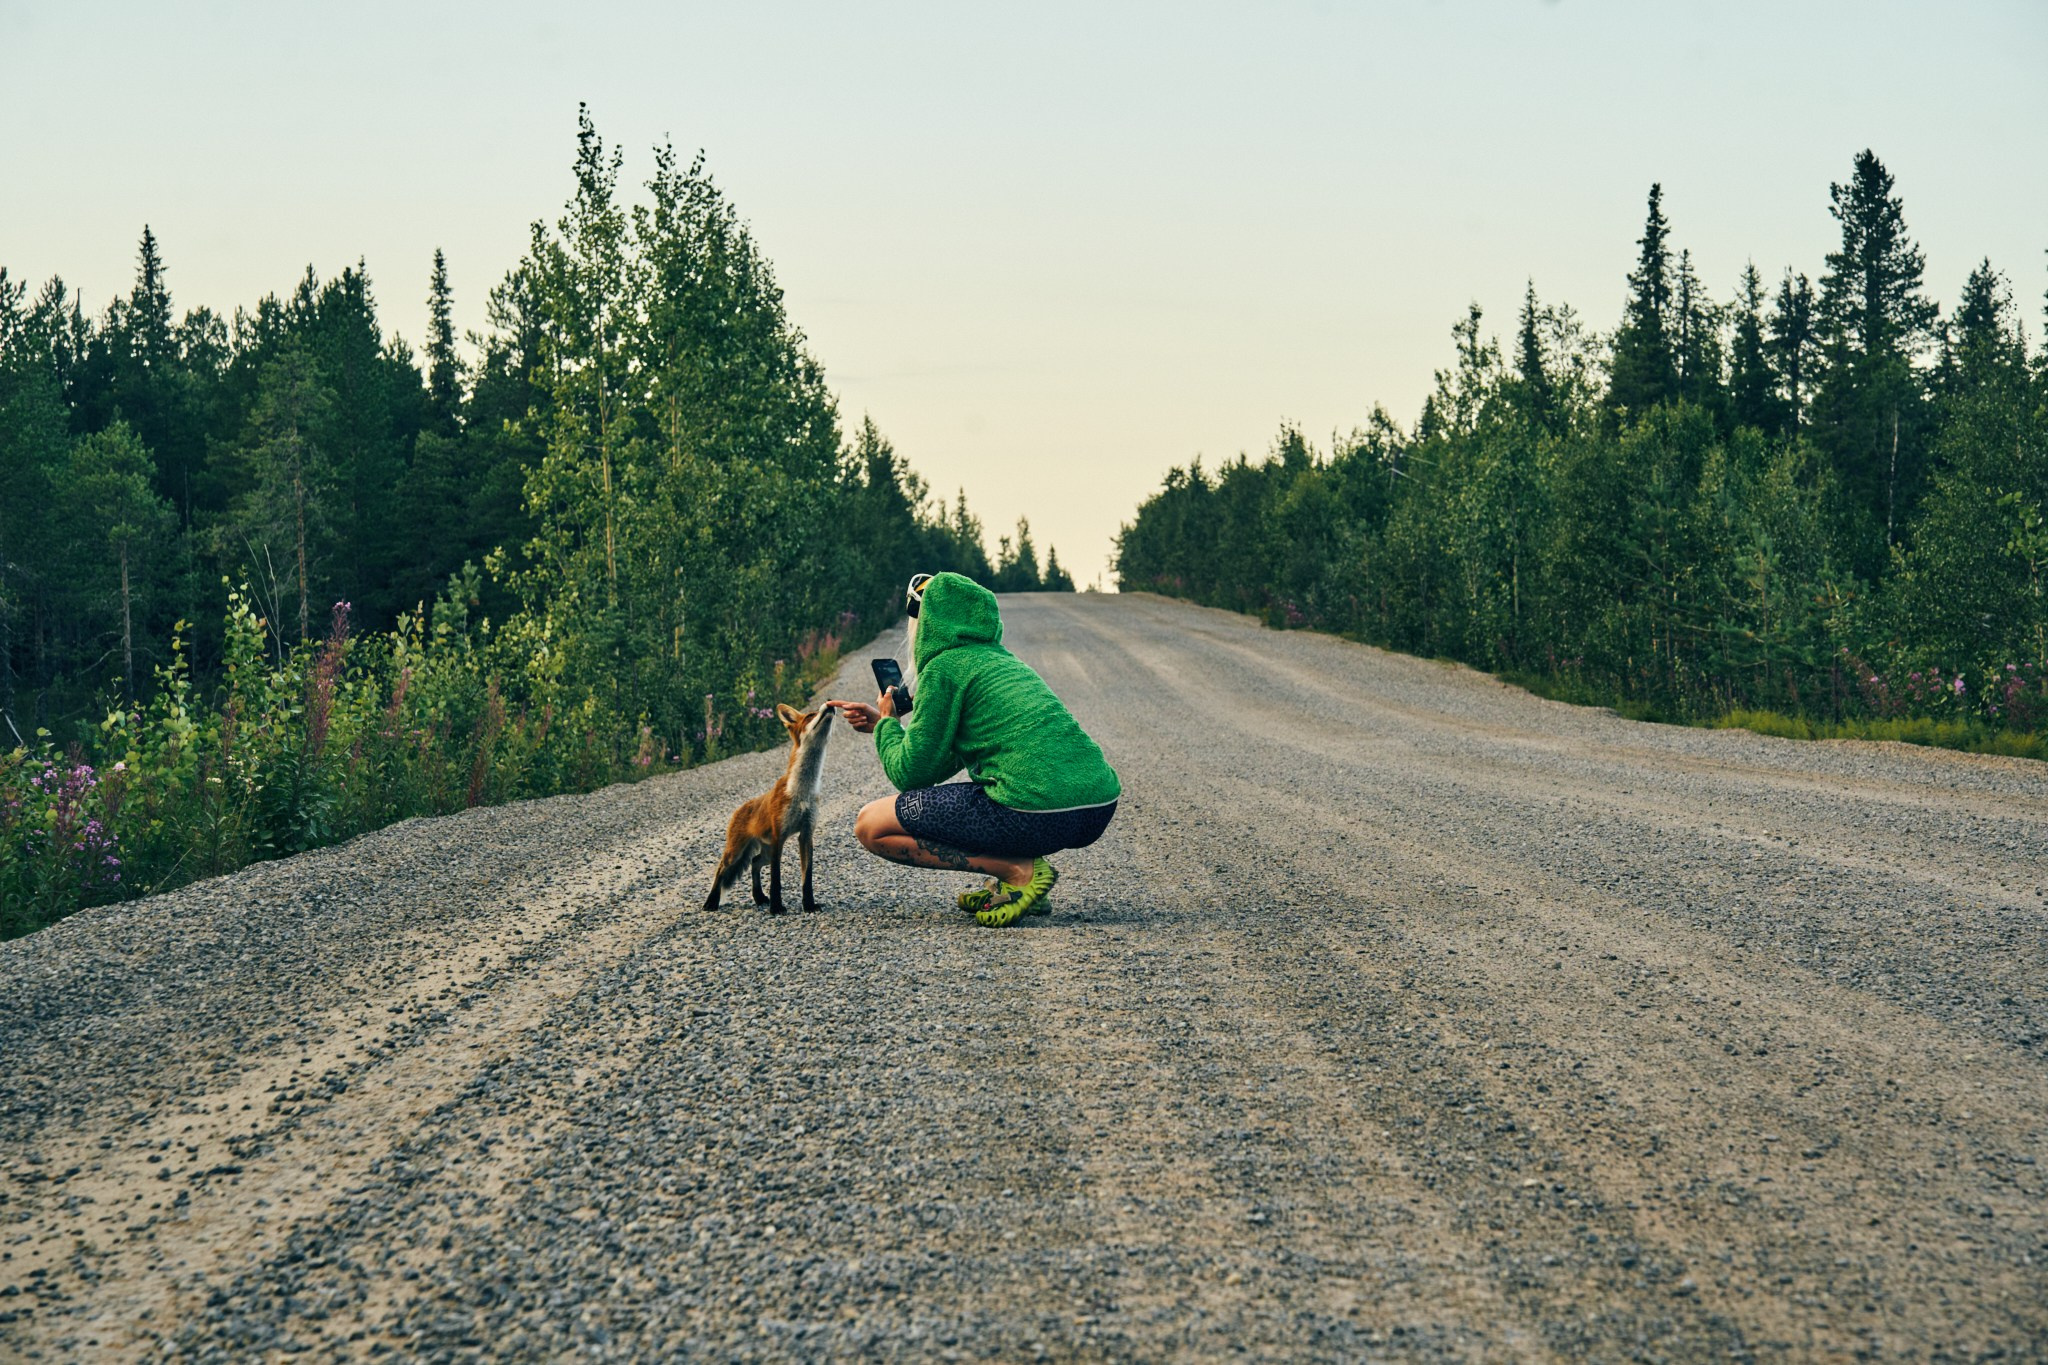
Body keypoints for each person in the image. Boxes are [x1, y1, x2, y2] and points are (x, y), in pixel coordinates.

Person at [827, 572, 1121, 927]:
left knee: (871, 825)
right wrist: (882, 726)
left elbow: (911, 773)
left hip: (1036, 810)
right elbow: (951, 752)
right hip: (1096, 807)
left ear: (928, 622)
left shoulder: (944, 668)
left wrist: (889, 723)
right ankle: (1017, 883)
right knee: (1002, 789)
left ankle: (1018, 872)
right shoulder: (1003, 662)